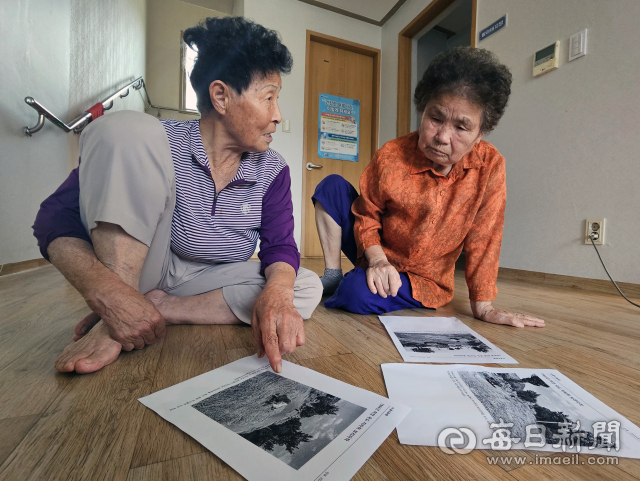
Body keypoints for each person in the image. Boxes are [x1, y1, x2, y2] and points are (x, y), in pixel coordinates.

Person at [32, 17, 322, 375]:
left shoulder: (271, 169)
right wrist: (110, 294)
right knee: (125, 127)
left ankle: (159, 309)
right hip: (146, 269)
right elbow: (53, 218)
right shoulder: (155, 141)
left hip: (207, 283)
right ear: (221, 96)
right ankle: (123, 314)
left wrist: (277, 294)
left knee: (304, 285)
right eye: (269, 98)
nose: (278, 115)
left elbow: (280, 247)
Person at [312, 47, 544, 328]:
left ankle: (357, 281)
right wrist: (377, 260)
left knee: (355, 294)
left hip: (423, 277)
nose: (442, 137)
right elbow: (367, 213)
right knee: (331, 186)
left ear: (480, 133)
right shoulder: (391, 155)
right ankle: (333, 274)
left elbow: (485, 237)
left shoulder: (490, 166)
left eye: (462, 127)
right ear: (422, 111)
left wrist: (483, 306)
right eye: (435, 118)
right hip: (377, 251)